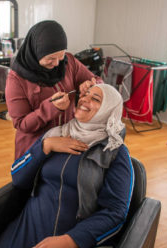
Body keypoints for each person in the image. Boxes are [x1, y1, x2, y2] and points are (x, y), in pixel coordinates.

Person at [0, 83, 134, 248]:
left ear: (108, 110)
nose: (84, 99)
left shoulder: (115, 152)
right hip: (27, 226)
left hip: (71, 237)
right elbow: (18, 178)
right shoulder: (56, 134)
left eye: (95, 99)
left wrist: (72, 240)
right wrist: (44, 147)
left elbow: (116, 212)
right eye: (85, 94)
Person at [6, 20, 101, 159]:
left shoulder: (69, 62)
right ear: (36, 52)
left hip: (67, 141)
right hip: (36, 148)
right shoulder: (16, 79)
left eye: (60, 56)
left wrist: (91, 85)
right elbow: (22, 125)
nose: (57, 63)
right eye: (51, 58)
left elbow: (98, 81)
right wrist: (51, 108)